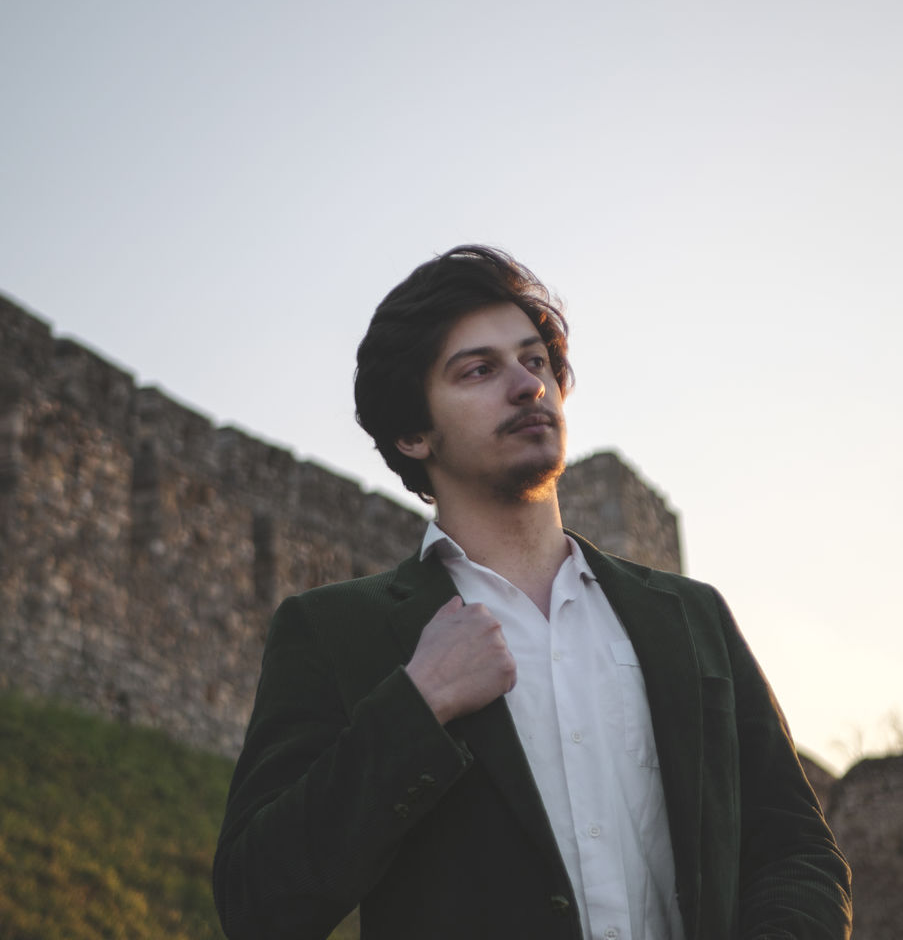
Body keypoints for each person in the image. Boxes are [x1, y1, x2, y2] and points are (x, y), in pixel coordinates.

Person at [213, 245, 852, 940]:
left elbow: (796, 851)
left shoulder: (692, 617)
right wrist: (416, 707)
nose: (526, 385)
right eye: (480, 370)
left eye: (536, 361)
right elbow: (257, 903)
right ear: (413, 432)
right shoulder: (335, 631)